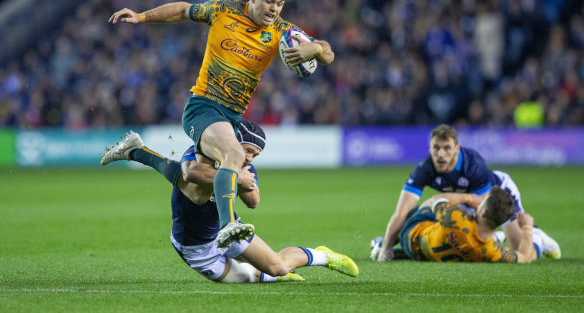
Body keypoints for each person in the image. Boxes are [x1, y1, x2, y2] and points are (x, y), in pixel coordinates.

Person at [108, 0, 335, 249]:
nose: (274, 8)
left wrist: (313, 49)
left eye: (279, 3)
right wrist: (142, 16)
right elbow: (182, 10)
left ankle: (136, 151)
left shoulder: (282, 31)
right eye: (268, 0)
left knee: (195, 189)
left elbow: (328, 52)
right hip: (203, 105)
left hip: (232, 116)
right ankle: (228, 225)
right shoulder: (222, 11)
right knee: (234, 154)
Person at [100, 121, 358, 283]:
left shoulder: (244, 166)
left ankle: (325, 255)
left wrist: (244, 181)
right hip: (197, 247)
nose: (249, 159)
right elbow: (190, 173)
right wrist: (237, 178)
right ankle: (139, 152)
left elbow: (254, 202)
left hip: (229, 230)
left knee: (278, 267)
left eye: (255, 155)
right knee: (246, 275)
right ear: (233, 143)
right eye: (247, 151)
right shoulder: (203, 151)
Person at [375, 124, 561, 262]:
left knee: (516, 247)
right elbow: (401, 212)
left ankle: (537, 237)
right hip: (464, 202)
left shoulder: (473, 166)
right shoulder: (424, 169)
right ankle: (497, 238)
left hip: (496, 194)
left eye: (447, 148)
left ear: (457, 149)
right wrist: (386, 248)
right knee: (415, 217)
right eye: (436, 148)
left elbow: (482, 206)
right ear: (429, 148)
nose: (441, 154)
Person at [375, 187, 539, 263]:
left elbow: (436, 200)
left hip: (410, 236)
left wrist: (469, 198)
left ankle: (385, 244)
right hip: (426, 256)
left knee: (427, 204)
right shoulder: (493, 251)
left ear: (483, 213)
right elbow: (525, 257)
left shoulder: (457, 219)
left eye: (483, 202)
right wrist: (527, 229)